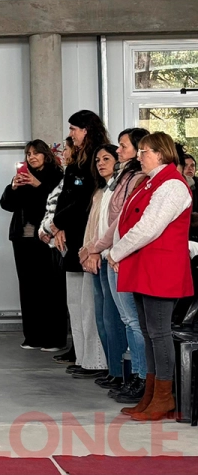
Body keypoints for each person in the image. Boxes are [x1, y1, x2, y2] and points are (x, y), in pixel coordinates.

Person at [109, 132, 195, 421]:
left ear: (161, 154)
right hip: (147, 266)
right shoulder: (151, 182)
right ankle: (151, 392)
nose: (138, 156)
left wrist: (116, 252)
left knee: (158, 333)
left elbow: (150, 227)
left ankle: (163, 396)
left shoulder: (172, 185)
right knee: (148, 332)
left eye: (144, 151)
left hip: (161, 268)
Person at [81, 128, 150, 405]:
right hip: (111, 252)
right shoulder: (120, 179)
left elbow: (125, 221)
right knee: (120, 319)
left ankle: (140, 376)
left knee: (132, 321)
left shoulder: (136, 179)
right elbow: (108, 220)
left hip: (121, 255)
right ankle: (129, 373)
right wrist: (93, 247)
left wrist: (100, 248)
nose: (118, 151)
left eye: (123, 147)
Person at [51, 110, 108, 379]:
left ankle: (96, 360)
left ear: (87, 129)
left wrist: (59, 221)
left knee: (89, 305)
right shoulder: (76, 163)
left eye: (74, 129)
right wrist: (57, 225)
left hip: (87, 235)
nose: (71, 134)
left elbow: (83, 200)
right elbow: (65, 196)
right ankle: (82, 355)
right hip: (70, 236)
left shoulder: (95, 160)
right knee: (74, 302)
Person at [0, 140, 65, 352]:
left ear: (46, 154)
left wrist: (39, 185)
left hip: (46, 237)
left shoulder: (56, 175)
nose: (32, 157)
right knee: (28, 286)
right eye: (28, 154)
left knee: (50, 286)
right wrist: (13, 187)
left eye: (36, 153)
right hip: (22, 236)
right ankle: (32, 336)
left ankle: (54, 338)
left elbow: (58, 202)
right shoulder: (22, 176)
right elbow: (6, 204)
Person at [80, 145, 128, 392]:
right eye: (97, 159)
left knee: (113, 319)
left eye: (107, 158)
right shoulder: (100, 191)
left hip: (110, 256)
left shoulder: (120, 189)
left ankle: (121, 373)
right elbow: (93, 226)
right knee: (102, 318)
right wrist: (88, 251)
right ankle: (113, 369)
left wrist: (97, 250)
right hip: (96, 254)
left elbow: (112, 227)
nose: (101, 163)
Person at [40, 137, 76, 364]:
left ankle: (84, 353)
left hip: (69, 242)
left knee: (76, 304)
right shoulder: (67, 175)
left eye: (67, 148)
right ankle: (78, 350)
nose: (64, 152)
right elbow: (52, 207)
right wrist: (45, 229)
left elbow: (70, 208)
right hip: (55, 241)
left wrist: (53, 227)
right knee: (71, 302)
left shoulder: (74, 175)